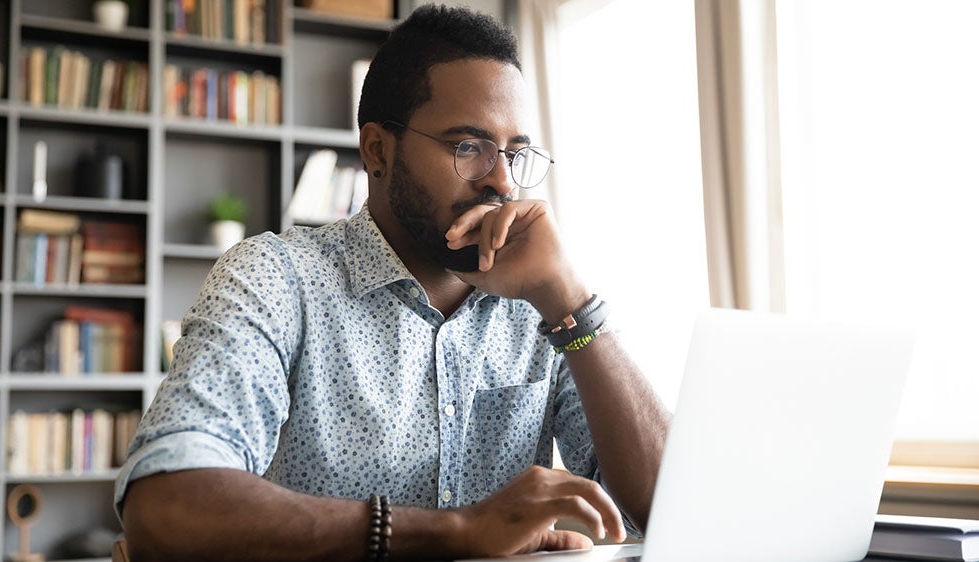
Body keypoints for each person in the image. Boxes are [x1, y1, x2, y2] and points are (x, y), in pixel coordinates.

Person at [116, 4, 669, 561]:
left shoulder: (542, 304)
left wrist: (570, 300)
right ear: (378, 150)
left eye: (515, 153)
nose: (503, 180)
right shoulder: (277, 279)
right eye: (467, 147)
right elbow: (166, 503)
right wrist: (454, 533)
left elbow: (670, 504)